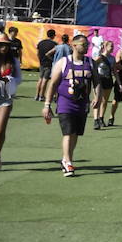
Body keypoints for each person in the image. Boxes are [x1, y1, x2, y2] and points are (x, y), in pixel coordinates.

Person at [43, 34, 93, 177]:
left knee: (76, 133)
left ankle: (66, 158)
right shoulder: (63, 62)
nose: (86, 47)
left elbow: (96, 82)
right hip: (65, 103)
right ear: (74, 45)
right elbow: (52, 84)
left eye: (87, 44)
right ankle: (68, 162)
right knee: (68, 132)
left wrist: (98, 96)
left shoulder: (90, 62)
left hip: (82, 103)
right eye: (83, 44)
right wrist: (47, 105)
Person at [0, 32, 18, 172]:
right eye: (1, 45)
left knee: (0, 129)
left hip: (5, 97)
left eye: (6, 45)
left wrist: (8, 81)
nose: (4, 48)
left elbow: (19, 79)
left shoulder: (14, 62)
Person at [91, 40, 116, 130]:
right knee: (97, 99)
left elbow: (114, 70)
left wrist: (119, 82)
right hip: (99, 80)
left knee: (105, 101)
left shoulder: (112, 58)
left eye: (113, 46)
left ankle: (101, 118)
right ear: (105, 47)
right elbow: (93, 66)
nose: (112, 48)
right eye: (111, 46)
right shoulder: (100, 57)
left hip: (108, 80)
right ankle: (95, 120)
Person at [33, 29, 57, 101]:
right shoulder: (54, 44)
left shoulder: (41, 43)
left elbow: (37, 53)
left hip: (42, 63)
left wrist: (40, 60)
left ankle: (37, 95)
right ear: (53, 36)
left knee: (40, 79)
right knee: (45, 80)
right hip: (48, 63)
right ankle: (42, 95)